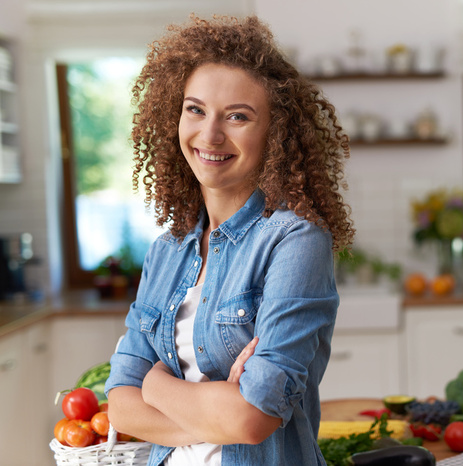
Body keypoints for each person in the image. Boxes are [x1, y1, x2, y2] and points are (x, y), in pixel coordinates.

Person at [104, 14, 354, 466]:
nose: (210, 134)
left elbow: (251, 421)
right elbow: (120, 406)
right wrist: (220, 408)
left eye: (237, 116)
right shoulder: (167, 251)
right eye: (195, 109)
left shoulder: (295, 241)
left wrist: (156, 385)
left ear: (274, 134)